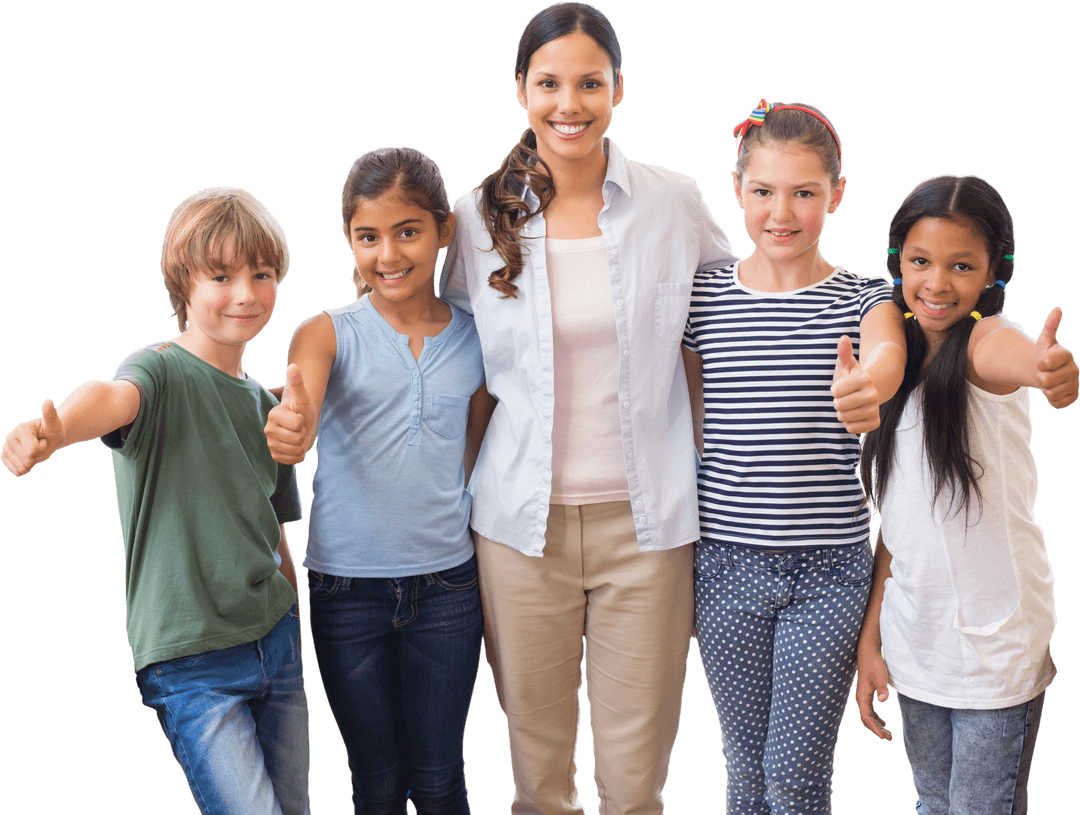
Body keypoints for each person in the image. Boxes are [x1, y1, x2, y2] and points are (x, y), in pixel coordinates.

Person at [441, 3, 737, 812]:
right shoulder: (473, 218)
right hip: (516, 528)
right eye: (548, 83)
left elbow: (735, 321)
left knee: (635, 782)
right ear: (519, 90)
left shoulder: (673, 202)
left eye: (589, 83)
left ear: (617, 89)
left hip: (648, 530)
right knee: (538, 780)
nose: (567, 103)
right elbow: (438, 351)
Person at [1, 187, 309, 815]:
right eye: (221, 276)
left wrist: (292, 609)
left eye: (262, 273)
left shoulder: (266, 404)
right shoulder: (159, 371)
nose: (246, 293)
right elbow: (109, 397)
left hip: (275, 641)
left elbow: (270, 524)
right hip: (192, 662)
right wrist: (57, 433)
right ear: (183, 283)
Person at [682, 99, 907, 814]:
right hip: (724, 566)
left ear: (836, 194)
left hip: (830, 574)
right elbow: (679, 421)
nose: (783, 211)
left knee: (795, 775)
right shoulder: (705, 297)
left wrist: (865, 390)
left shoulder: (865, 298)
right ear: (737, 188)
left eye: (805, 193)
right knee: (746, 771)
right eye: (764, 191)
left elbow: (886, 359)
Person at [263, 146, 490, 815]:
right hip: (346, 592)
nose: (388, 253)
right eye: (369, 236)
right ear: (350, 242)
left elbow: (480, 450)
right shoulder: (325, 332)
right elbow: (298, 404)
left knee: (441, 776)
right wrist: (291, 428)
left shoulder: (479, 338)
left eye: (407, 231)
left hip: (450, 586)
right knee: (379, 782)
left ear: (444, 230)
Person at [855, 174, 1077, 815]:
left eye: (961, 266)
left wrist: (1043, 370)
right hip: (917, 645)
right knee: (931, 803)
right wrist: (873, 640)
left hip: (996, 653)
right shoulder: (889, 360)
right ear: (896, 261)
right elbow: (897, 534)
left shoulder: (986, 341)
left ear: (992, 273)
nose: (936, 283)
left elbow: (1008, 357)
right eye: (920, 262)